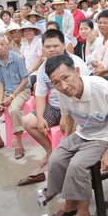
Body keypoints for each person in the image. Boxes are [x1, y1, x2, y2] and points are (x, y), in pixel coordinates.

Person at [44, 55, 108, 216]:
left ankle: (83, 215)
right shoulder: (62, 92)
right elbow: (68, 116)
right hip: (83, 133)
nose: (63, 86)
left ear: (76, 71)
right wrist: (66, 141)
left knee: (77, 166)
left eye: (66, 77)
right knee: (56, 159)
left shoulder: (102, 88)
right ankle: (70, 204)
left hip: (105, 136)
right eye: (56, 82)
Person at [18, 30, 89, 186]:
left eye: (55, 45)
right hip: (54, 106)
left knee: (70, 134)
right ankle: (50, 151)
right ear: (42, 48)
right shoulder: (44, 67)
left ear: (64, 45)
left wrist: (67, 115)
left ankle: (68, 164)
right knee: (28, 122)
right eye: (47, 46)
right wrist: (41, 117)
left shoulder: (76, 64)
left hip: (78, 108)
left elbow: (83, 96)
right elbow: (41, 94)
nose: (52, 49)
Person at [0, 34, 31, 159]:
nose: (0, 47)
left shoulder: (17, 58)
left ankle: (19, 144)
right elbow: (0, 83)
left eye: (2, 44)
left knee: (14, 110)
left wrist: (12, 97)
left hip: (21, 90)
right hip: (6, 92)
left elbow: (25, 80)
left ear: (7, 45)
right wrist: (0, 99)